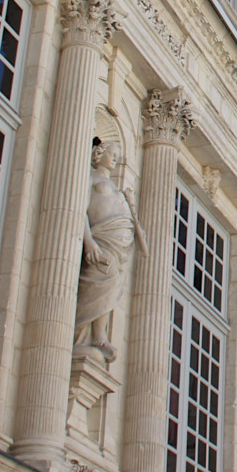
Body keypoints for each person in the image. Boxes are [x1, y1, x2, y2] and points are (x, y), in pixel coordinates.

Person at [75, 140, 145, 361]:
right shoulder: (90, 177)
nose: (115, 158)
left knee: (114, 280)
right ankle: (82, 334)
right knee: (104, 278)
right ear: (98, 153)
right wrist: (89, 242)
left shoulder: (118, 189)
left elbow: (135, 229)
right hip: (100, 240)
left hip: (118, 248)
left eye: (118, 155)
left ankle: (99, 334)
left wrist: (132, 208)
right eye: (112, 153)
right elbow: (79, 209)